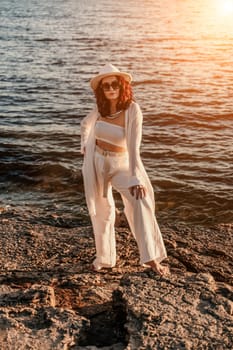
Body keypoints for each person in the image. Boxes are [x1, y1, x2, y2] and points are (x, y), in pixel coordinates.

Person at [80, 63, 169, 276]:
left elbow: (134, 147)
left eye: (114, 84)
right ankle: (104, 259)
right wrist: (84, 144)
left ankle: (151, 259)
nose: (110, 89)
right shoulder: (100, 108)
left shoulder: (132, 110)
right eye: (105, 86)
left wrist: (136, 177)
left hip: (121, 164)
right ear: (101, 90)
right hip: (97, 163)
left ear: (122, 86)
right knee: (103, 211)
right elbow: (85, 124)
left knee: (140, 201)